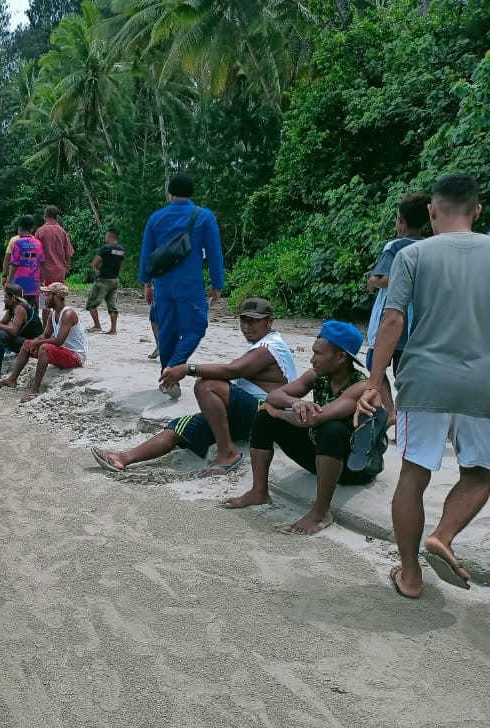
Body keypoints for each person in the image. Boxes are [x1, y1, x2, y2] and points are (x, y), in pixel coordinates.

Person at [357, 173, 490, 598]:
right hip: (482, 383)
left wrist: (373, 383)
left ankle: (411, 576)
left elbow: (393, 319)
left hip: (424, 380)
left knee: (414, 475)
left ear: (432, 211)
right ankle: (443, 535)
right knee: (481, 473)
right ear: (477, 210)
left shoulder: (411, 254)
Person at [91, 298, 298, 476]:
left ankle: (227, 453)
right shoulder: (258, 344)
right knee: (178, 427)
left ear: (270, 321)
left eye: (253, 321)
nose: (247, 326)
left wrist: (187, 369)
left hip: (267, 413)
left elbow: (231, 371)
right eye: (244, 320)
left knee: (207, 384)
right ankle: (123, 458)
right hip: (246, 414)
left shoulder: (271, 346)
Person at [226, 321, 379, 534]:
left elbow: (315, 419)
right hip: (321, 454)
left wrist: (279, 413)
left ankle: (321, 512)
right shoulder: (318, 375)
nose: (312, 359)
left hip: (354, 467)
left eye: (318, 353)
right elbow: (274, 395)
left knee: (331, 429)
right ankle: (259, 491)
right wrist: (294, 402)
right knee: (264, 417)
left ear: (341, 358)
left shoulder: (360, 386)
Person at [139, 173, 224, 397]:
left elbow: (146, 253)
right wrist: (217, 284)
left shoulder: (156, 217)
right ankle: (172, 370)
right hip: (190, 285)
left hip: (163, 285)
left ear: (170, 194)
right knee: (195, 328)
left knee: (167, 330)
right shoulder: (204, 216)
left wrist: (147, 283)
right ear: (191, 193)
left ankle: (168, 378)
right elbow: (214, 254)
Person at [364, 193, 428, 424]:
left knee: (375, 365)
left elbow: (384, 278)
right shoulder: (430, 246)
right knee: (405, 370)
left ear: (400, 220)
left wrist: (371, 282)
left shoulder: (395, 246)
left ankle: (391, 412)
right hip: (416, 320)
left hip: (391, 316)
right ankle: (407, 414)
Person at [0, 282, 87, 402]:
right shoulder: (53, 314)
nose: (45, 298)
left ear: (57, 297)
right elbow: (45, 335)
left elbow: (59, 341)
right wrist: (34, 341)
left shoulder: (68, 314)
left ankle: (35, 389)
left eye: (48, 295)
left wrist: (38, 343)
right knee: (28, 343)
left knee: (45, 347)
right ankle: (12, 379)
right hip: (63, 352)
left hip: (75, 356)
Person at [0, 283, 44, 382]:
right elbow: (2, 323)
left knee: (1, 335)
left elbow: (14, 331)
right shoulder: (12, 306)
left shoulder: (20, 308)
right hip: (23, 340)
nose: (4, 299)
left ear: (13, 298)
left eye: (6, 297)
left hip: (31, 344)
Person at [85, 227, 124, 335]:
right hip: (115, 279)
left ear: (110, 235)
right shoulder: (121, 249)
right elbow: (122, 264)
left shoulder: (106, 248)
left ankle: (97, 325)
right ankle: (113, 329)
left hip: (104, 280)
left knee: (91, 304)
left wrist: (97, 271)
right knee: (112, 305)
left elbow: (95, 263)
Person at [5, 215, 44, 311]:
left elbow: (14, 265)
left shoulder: (18, 243)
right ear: (32, 229)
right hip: (33, 284)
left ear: (19, 228)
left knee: (18, 309)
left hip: (19, 285)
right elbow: (41, 264)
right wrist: (41, 281)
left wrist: (8, 282)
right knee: (32, 310)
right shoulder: (38, 243)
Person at [35, 205, 75, 285]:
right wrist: (65, 269)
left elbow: (35, 254)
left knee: (46, 293)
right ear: (57, 217)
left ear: (45, 216)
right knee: (58, 293)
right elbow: (69, 254)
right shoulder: (63, 232)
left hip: (44, 275)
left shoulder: (40, 231)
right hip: (60, 275)